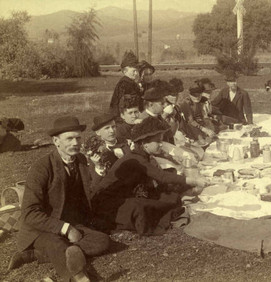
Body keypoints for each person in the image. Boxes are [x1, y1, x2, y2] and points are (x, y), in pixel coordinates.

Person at [9, 116, 109, 281]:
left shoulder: (81, 160)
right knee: (57, 244)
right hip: (41, 229)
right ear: (56, 141)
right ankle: (79, 277)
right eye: (69, 138)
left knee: (102, 240)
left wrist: (97, 170)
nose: (75, 143)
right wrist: (66, 229)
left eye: (78, 138)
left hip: (71, 222)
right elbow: (29, 213)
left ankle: (38, 255)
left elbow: (88, 193)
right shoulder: (41, 168)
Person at [91, 117, 207, 235]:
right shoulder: (135, 159)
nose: (161, 144)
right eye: (158, 141)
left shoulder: (143, 156)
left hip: (125, 197)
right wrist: (193, 181)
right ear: (144, 144)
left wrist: (184, 186)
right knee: (141, 207)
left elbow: (162, 178)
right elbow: (161, 176)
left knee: (167, 194)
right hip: (107, 203)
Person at [109, 51, 142, 117]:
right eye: (133, 71)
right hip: (124, 115)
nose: (136, 73)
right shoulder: (125, 84)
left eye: (137, 71)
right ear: (125, 71)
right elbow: (124, 104)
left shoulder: (129, 82)